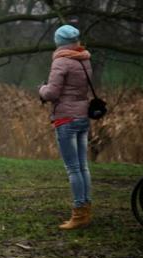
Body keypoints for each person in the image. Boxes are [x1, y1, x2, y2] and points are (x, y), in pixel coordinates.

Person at [39, 25, 93, 230]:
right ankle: (85, 209)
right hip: (83, 116)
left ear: (59, 42)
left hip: (66, 119)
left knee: (73, 168)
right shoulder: (84, 59)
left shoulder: (61, 61)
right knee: (83, 166)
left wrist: (41, 89)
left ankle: (79, 213)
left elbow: (52, 93)